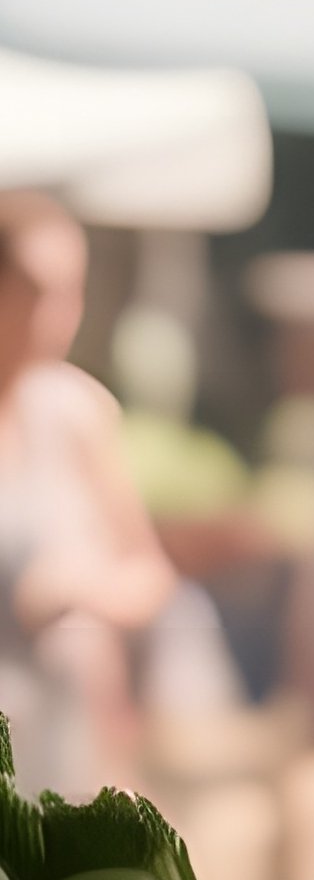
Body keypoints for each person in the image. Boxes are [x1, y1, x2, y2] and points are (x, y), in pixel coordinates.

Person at [0, 192, 177, 794]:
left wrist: (78, 589)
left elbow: (147, 575)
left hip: (58, 730)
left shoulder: (75, 412)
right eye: (31, 290)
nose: (52, 315)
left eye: (67, 293)